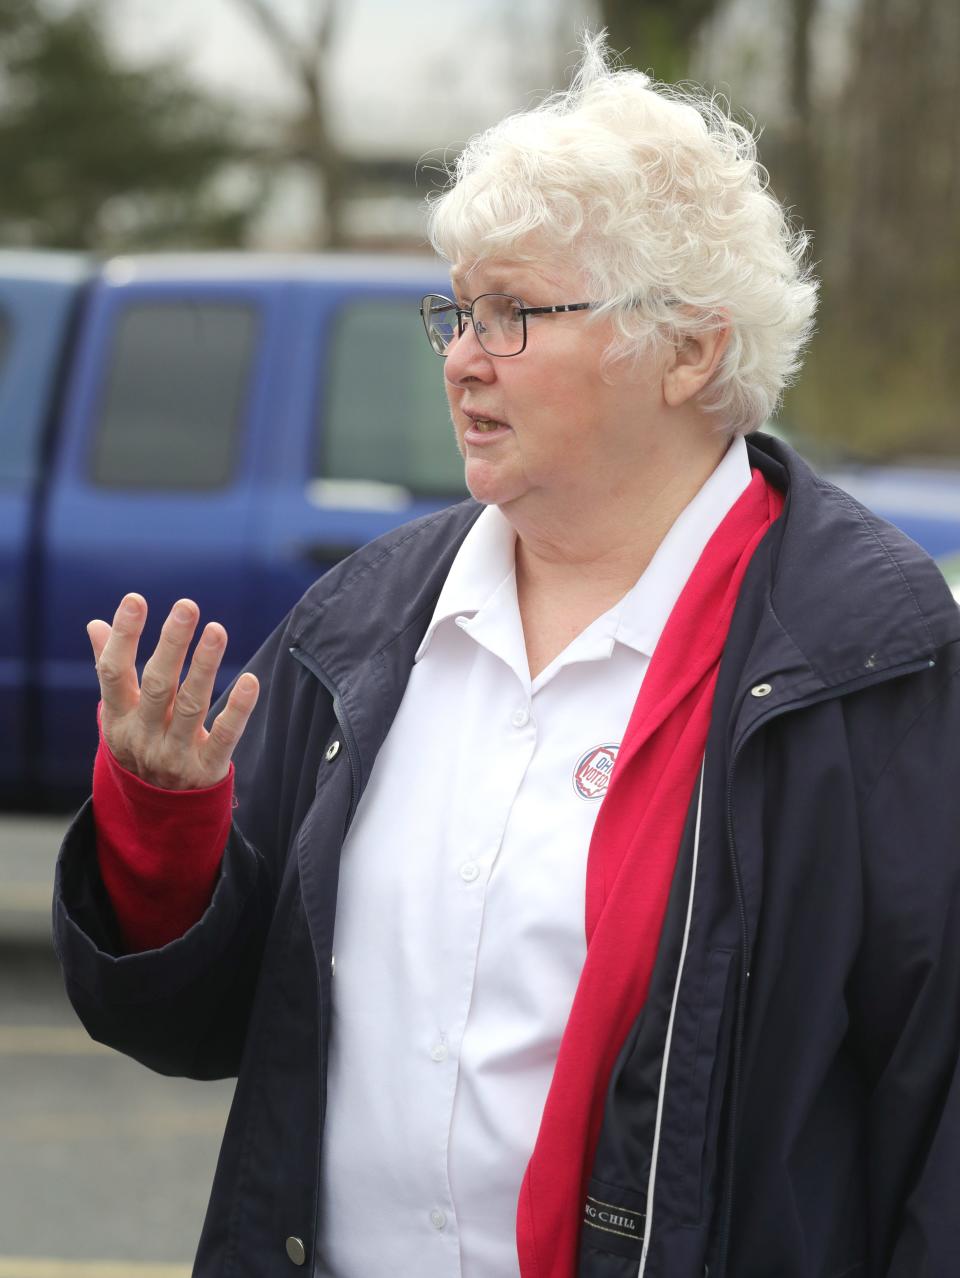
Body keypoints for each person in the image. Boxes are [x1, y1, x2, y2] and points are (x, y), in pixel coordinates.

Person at [53, 33, 960, 1278]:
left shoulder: (873, 658)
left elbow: (934, 1113)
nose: (463, 357)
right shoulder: (363, 623)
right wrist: (165, 835)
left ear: (690, 349)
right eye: (457, 312)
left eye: (515, 313)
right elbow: (209, 1031)